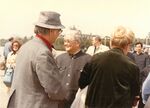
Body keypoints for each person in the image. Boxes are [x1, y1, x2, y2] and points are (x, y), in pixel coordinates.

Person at [7, 11, 66, 108]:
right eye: (59, 31)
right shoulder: (42, 52)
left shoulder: (26, 46)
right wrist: (65, 94)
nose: (59, 34)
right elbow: (54, 89)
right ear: (52, 31)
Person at [79, 26, 140, 108]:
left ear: (111, 42)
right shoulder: (132, 66)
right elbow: (135, 97)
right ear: (128, 45)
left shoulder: (95, 59)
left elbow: (82, 83)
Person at [56, 29, 91, 108]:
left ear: (77, 43)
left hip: (79, 103)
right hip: (60, 103)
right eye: (64, 41)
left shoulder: (88, 60)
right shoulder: (59, 59)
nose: (65, 44)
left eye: (68, 41)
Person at [133, 42, 150, 108]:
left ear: (142, 48)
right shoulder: (133, 55)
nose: (138, 48)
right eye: (137, 47)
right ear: (135, 48)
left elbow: (147, 67)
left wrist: (141, 73)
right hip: (134, 77)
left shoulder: (146, 56)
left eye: (139, 47)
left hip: (142, 78)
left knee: (141, 93)